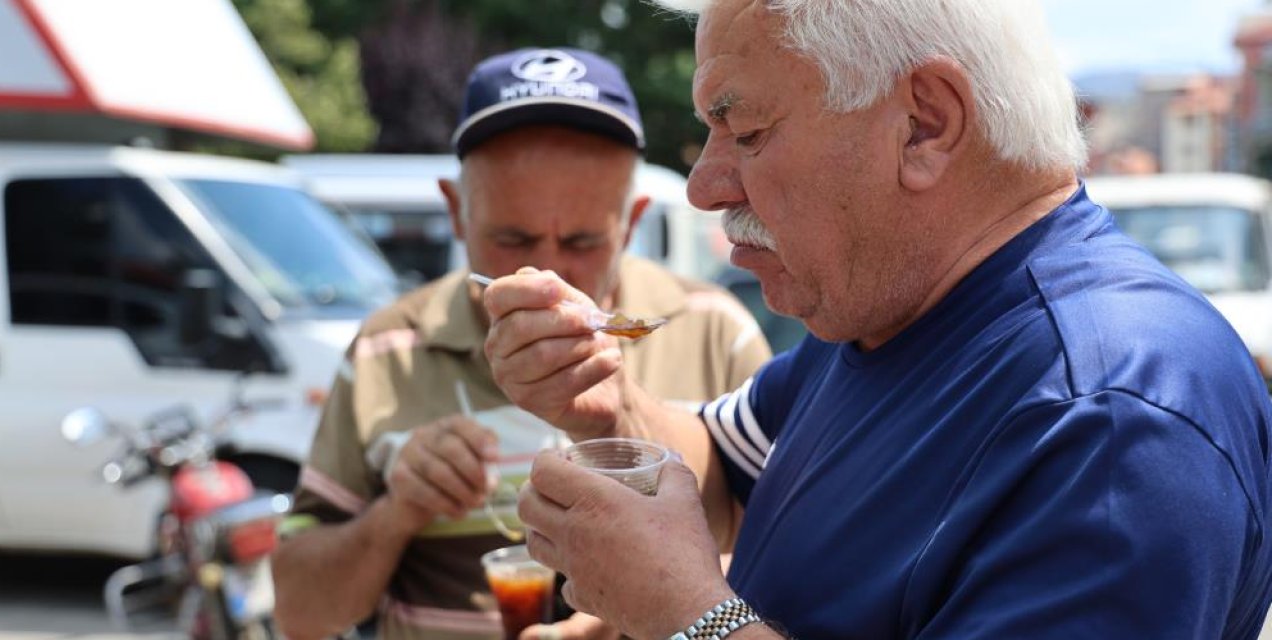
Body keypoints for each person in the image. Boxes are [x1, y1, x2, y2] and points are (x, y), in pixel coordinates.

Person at [480, 2, 1272, 639]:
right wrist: (603, 399)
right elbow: (719, 477)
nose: (706, 185)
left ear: (925, 123)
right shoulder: (890, 306)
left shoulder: (1110, 422)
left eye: (747, 131)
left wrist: (688, 618)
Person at [271, 47, 771, 640]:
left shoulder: (712, 330)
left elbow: (781, 547)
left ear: (631, 222)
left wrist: (644, 605)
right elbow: (299, 611)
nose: (546, 278)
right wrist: (397, 512)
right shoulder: (389, 347)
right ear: (457, 212)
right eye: (513, 239)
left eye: (583, 242)